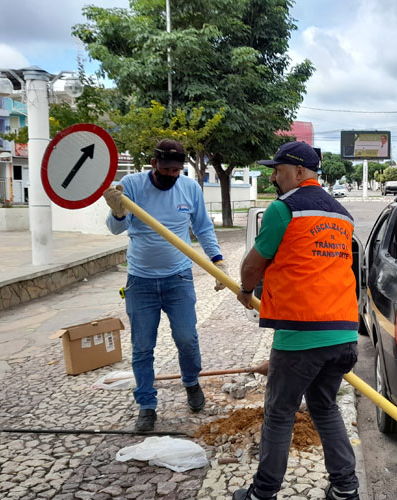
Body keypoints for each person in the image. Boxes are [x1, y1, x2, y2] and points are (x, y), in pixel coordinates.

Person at [234, 141, 360, 500]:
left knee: (279, 412)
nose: (273, 176)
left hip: (301, 333)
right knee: (324, 406)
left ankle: (263, 492)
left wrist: (245, 290)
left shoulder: (283, 209)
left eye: (278, 170)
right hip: (343, 334)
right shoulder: (342, 214)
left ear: (300, 172)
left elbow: (253, 264)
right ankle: (346, 488)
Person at [103, 139, 228, 432]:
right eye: (166, 168)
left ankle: (191, 382)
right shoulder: (131, 184)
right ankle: (146, 405)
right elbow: (115, 228)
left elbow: (203, 227)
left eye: (177, 169)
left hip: (179, 277)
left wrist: (218, 260)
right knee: (143, 346)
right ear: (154, 164)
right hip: (141, 280)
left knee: (187, 338)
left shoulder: (189, 188)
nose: (171, 174)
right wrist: (117, 210)